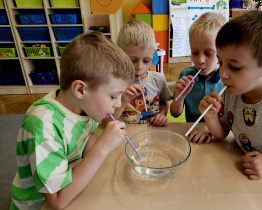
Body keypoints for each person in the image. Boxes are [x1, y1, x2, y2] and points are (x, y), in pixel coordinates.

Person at [10, 31, 135, 210]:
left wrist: (95, 156)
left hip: (71, 184)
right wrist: (102, 148)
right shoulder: (43, 126)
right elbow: (57, 200)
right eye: (114, 96)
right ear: (80, 90)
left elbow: (88, 135)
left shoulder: (81, 106)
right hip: (37, 204)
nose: (117, 104)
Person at [199, 11, 262, 209]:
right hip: (245, 183)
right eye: (221, 63)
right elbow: (222, 134)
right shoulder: (232, 93)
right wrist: (211, 118)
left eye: (234, 67)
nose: (223, 74)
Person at [170, 12, 226, 144]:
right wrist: (180, 97)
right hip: (190, 136)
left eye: (208, 53)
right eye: (195, 52)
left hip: (219, 137)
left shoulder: (228, 80)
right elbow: (175, 114)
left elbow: (232, 120)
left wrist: (209, 128)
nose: (200, 60)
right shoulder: (185, 74)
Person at [102, 19, 172, 126]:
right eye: (133, 60)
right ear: (120, 55)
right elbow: (107, 122)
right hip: (124, 135)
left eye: (146, 61)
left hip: (151, 132)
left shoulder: (158, 79)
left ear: (153, 55)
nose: (139, 67)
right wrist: (123, 100)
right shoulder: (112, 82)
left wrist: (162, 115)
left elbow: (164, 102)